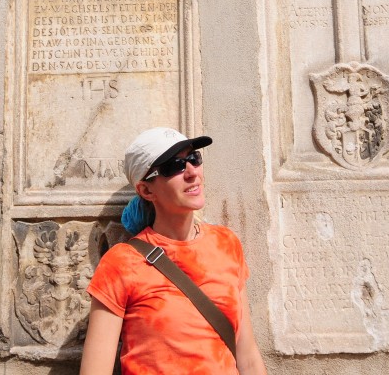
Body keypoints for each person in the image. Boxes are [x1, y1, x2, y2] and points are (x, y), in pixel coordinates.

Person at [80, 128, 267, 375]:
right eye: (174, 166)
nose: (191, 172)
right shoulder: (122, 263)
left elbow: (248, 356)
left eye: (194, 158)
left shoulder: (226, 243)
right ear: (146, 191)